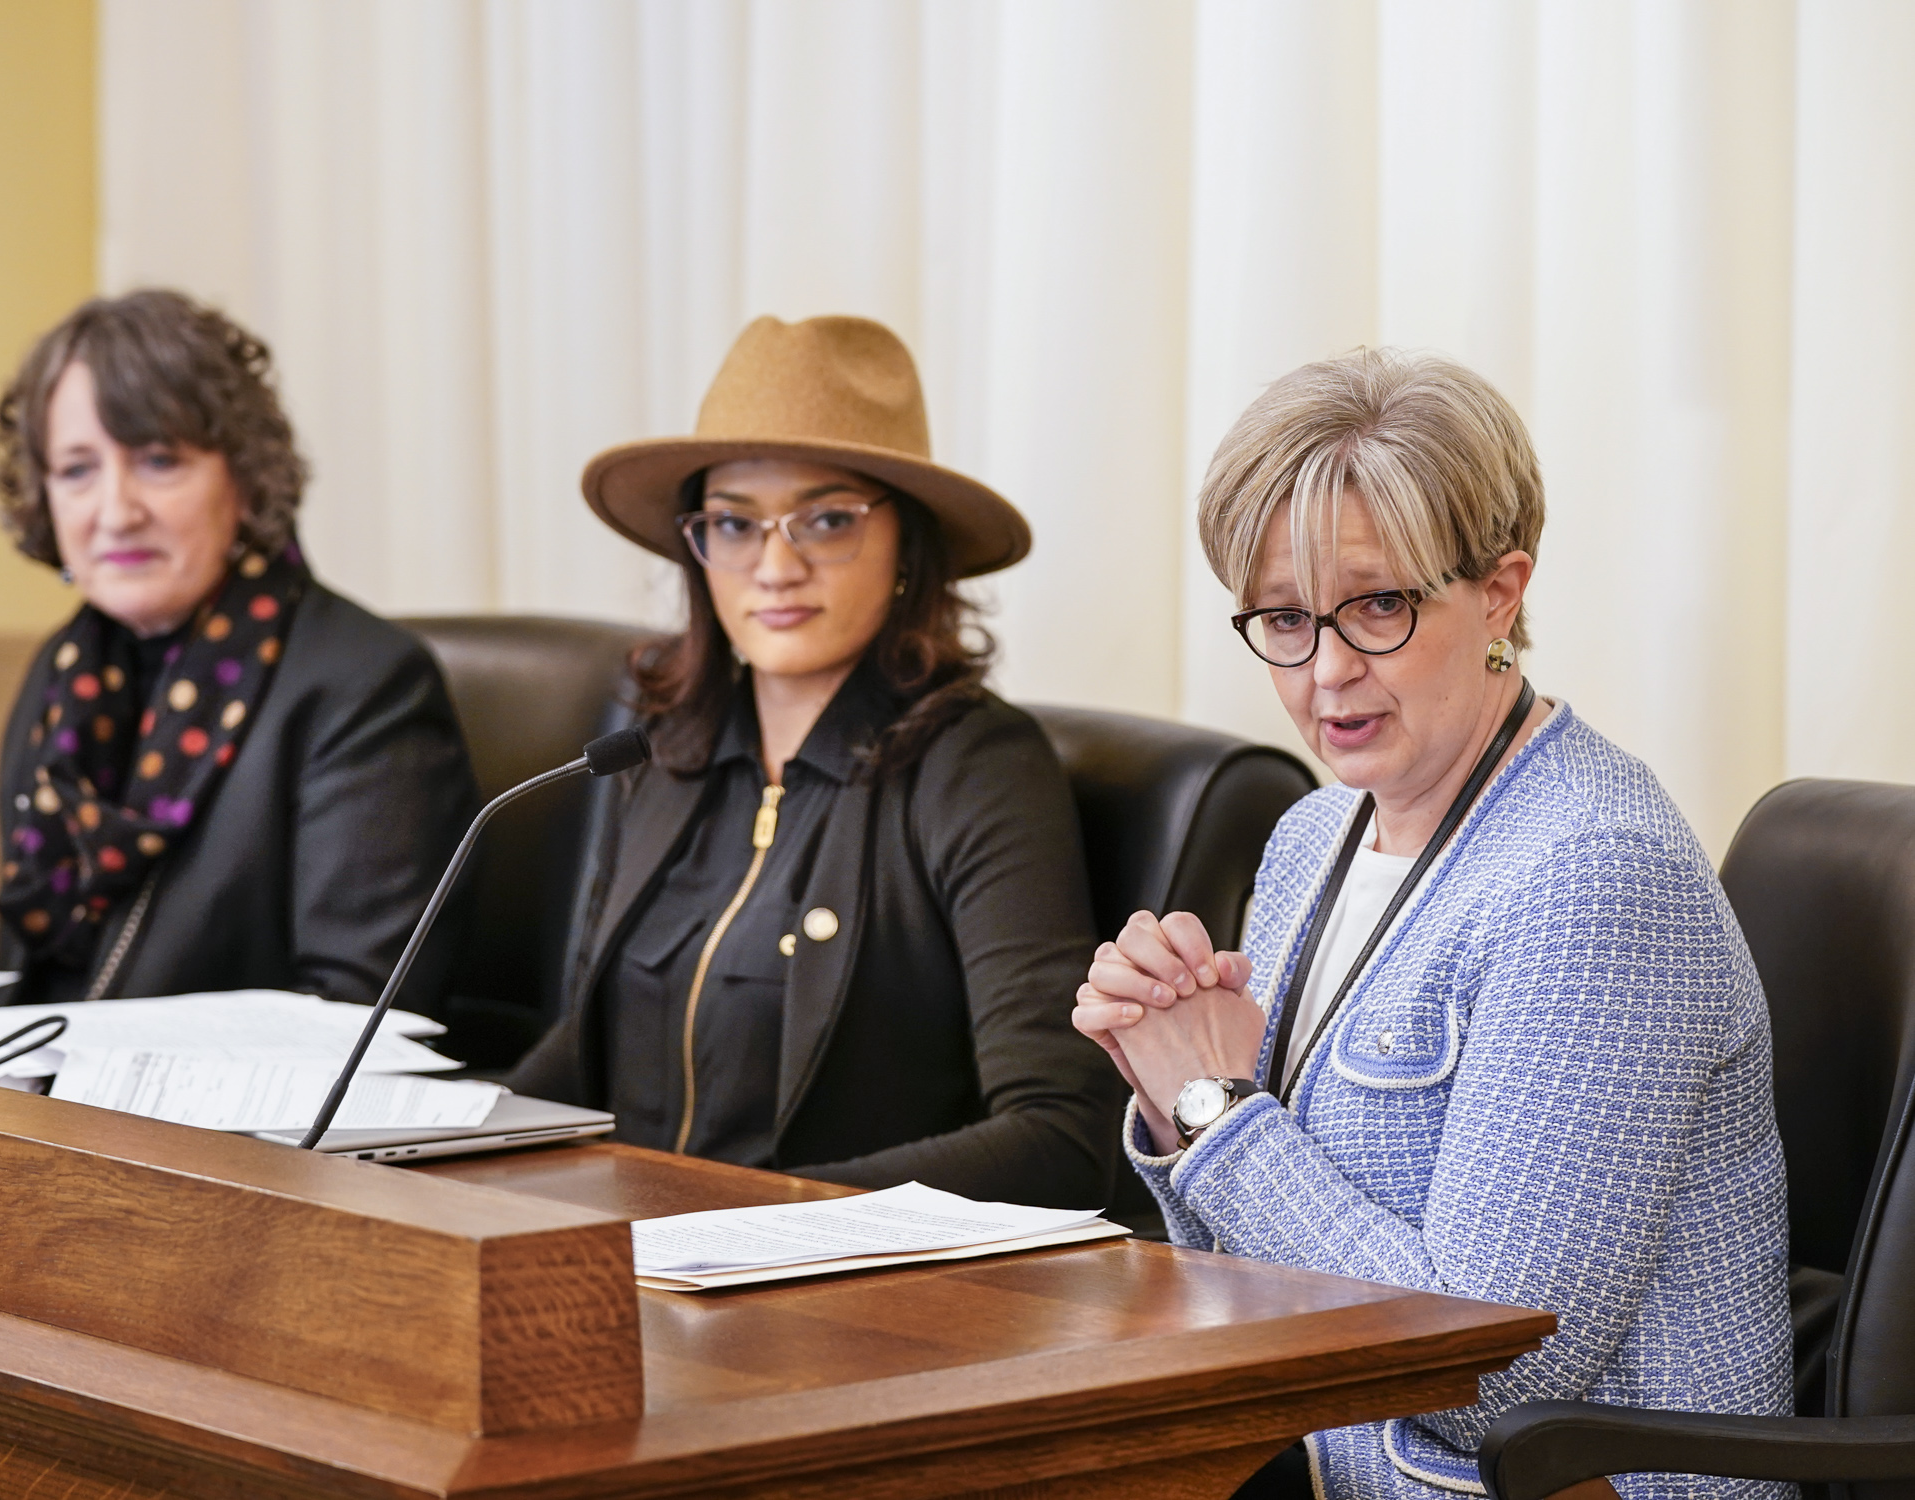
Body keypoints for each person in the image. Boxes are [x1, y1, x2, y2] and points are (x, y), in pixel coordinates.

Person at [1073, 350, 1792, 1499]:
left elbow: (1494, 1362)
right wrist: (1172, 1095)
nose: (1326, 675)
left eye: (1377, 607)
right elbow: (1255, 1269)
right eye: (1286, 619)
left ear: (1501, 591)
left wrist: (1219, 1115)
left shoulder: (1596, 874)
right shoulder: (1317, 833)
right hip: (1325, 1460)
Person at [507, 315, 1115, 1207]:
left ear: (908, 545)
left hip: (831, 1303)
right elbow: (590, 1047)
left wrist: (761, 1219)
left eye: (826, 520)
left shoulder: (978, 766)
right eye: (734, 524)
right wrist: (430, 1143)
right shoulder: (661, 749)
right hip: (621, 1268)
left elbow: (1060, 1139)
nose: (774, 565)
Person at [0, 290, 478, 1009]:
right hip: (46, 1108)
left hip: (235, 1121)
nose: (116, 512)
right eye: (76, 470)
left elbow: (361, 1013)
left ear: (246, 480)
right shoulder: (60, 676)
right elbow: (23, 977)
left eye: (159, 461)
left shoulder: (365, 683)